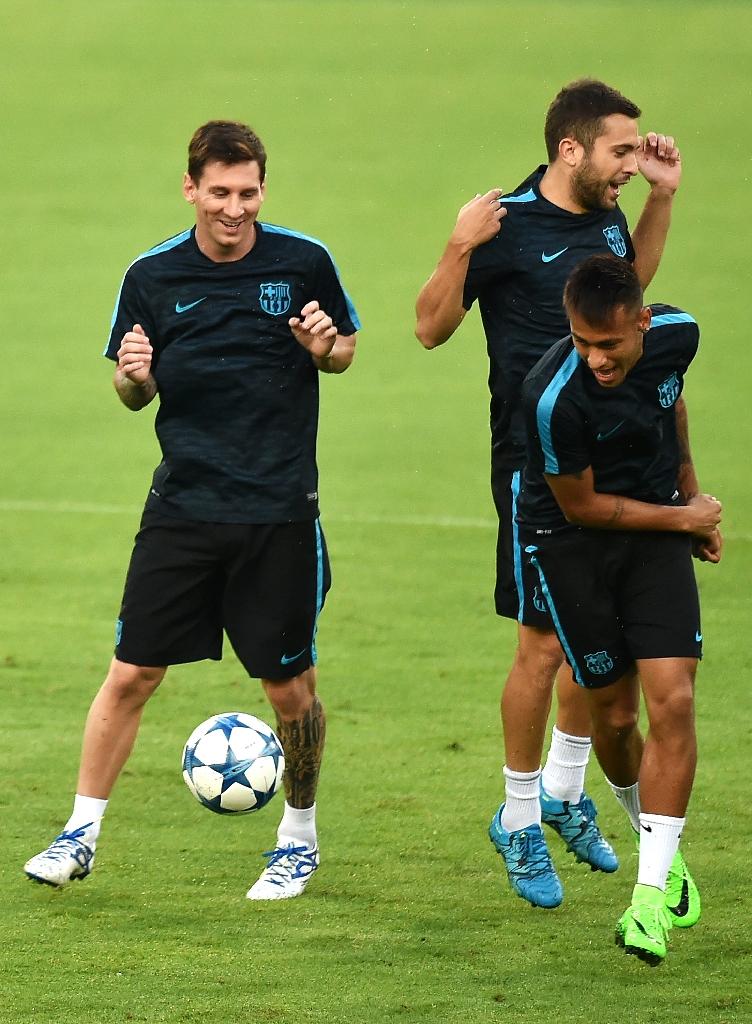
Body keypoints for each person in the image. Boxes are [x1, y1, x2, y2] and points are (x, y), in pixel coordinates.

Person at [24, 120, 360, 901]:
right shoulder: (151, 276)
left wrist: (326, 348)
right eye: (219, 193)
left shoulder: (304, 262)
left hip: (278, 512)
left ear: (263, 191)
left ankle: (299, 839)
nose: (234, 209)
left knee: (290, 690)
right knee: (133, 671)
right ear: (191, 189)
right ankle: (79, 833)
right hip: (182, 507)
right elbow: (132, 391)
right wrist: (134, 377)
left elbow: (344, 350)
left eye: (247, 193)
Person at [415, 78, 683, 905]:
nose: (632, 165)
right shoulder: (505, 225)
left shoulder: (605, 211)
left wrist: (659, 201)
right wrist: (459, 247)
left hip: (614, 463)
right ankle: (520, 818)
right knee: (540, 644)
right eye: (621, 152)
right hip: (535, 464)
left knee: (591, 637)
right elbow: (428, 327)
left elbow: (622, 292)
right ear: (571, 149)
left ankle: (565, 795)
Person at [517, 253, 721, 963]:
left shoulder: (679, 334)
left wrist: (690, 490)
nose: (596, 359)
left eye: (609, 344)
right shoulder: (553, 399)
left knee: (672, 700)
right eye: (581, 342)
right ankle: (653, 839)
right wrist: (685, 519)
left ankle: (648, 898)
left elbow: (673, 395)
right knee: (613, 715)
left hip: (655, 531)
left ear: (642, 320)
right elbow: (586, 506)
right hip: (571, 541)